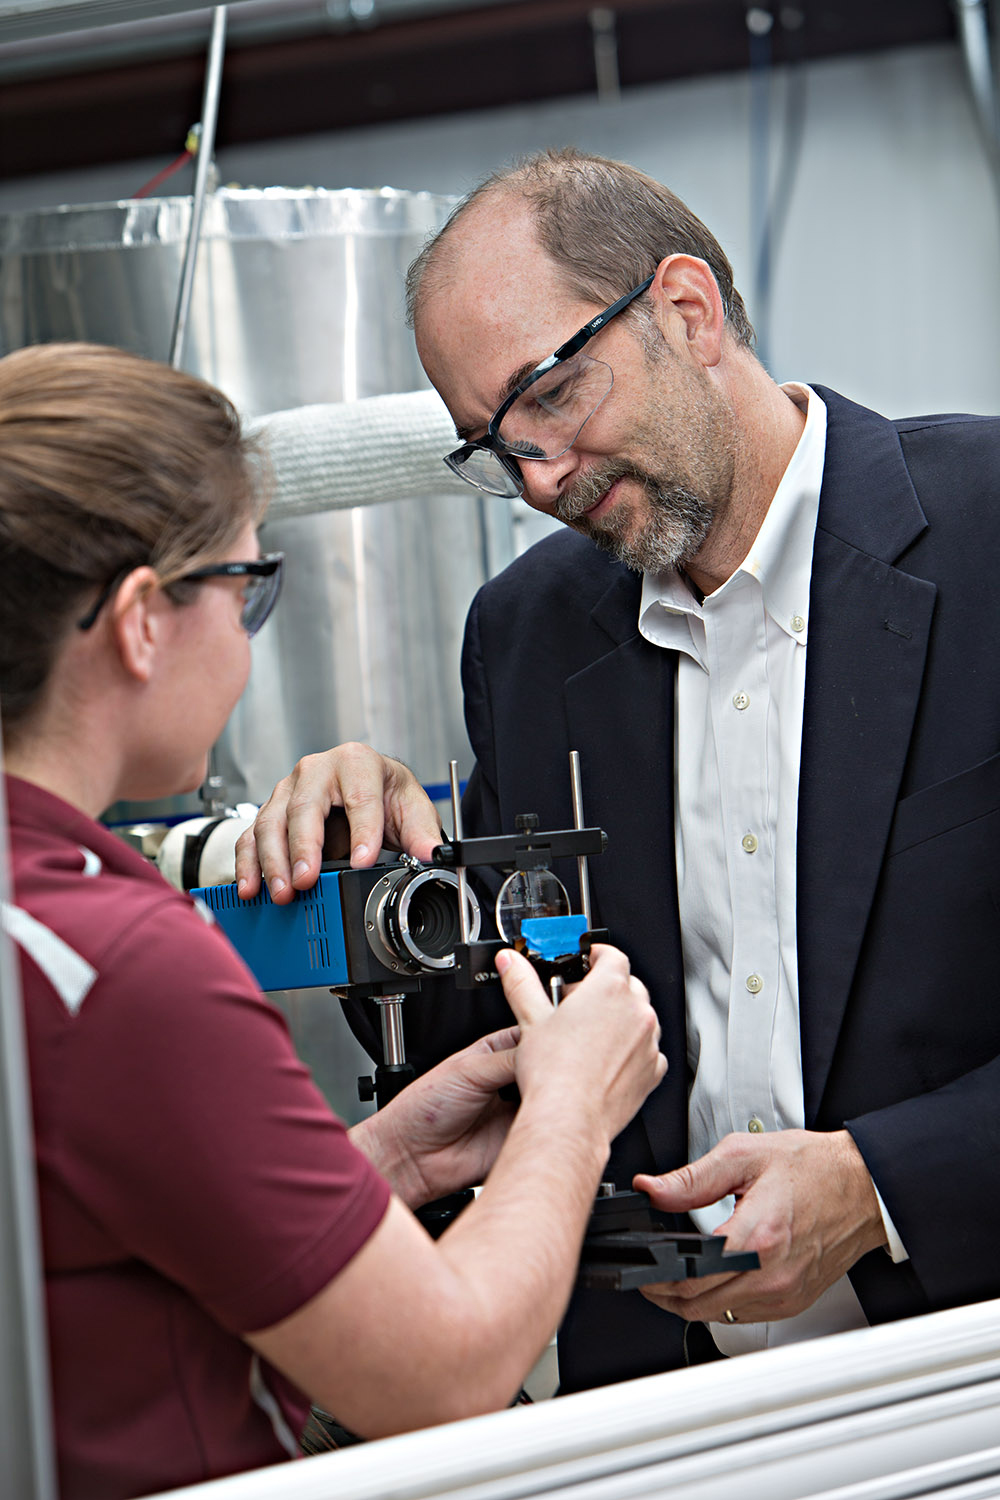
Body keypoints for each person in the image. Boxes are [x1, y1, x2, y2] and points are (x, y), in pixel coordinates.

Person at [236, 146, 1000, 1394]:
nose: (538, 476)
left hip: (962, 1383)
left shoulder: (985, 530)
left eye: (552, 393)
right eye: (491, 443)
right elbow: (510, 1026)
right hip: (658, 1413)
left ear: (687, 311)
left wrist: (878, 1186)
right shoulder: (528, 634)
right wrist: (378, 865)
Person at [0, 340, 666, 1500]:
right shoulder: (118, 968)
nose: (251, 633)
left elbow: (84, 1230)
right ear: (144, 619)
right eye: (249, 587)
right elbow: (444, 1369)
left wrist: (385, 1163)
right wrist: (571, 1110)